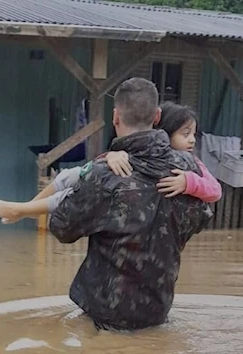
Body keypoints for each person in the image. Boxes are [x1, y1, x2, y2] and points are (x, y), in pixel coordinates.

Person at [48, 77, 212, 331]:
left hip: (105, 313)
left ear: (115, 117)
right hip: (159, 309)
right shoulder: (188, 168)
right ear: (157, 116)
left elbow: (61, 228)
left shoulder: (104, 175)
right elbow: (202, 217)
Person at [0, 102, 221, 223]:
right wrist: (111, 156)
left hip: (140, 212)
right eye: (185, 134)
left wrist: (188, 182)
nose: (191, 140)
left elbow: (215, 191)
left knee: (76, 192)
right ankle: (27, 209)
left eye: (193, 135)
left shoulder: (190, 165)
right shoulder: (137, 151)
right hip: (132, 207)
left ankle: (21, 210)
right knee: (72, 175)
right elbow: (101, 166)